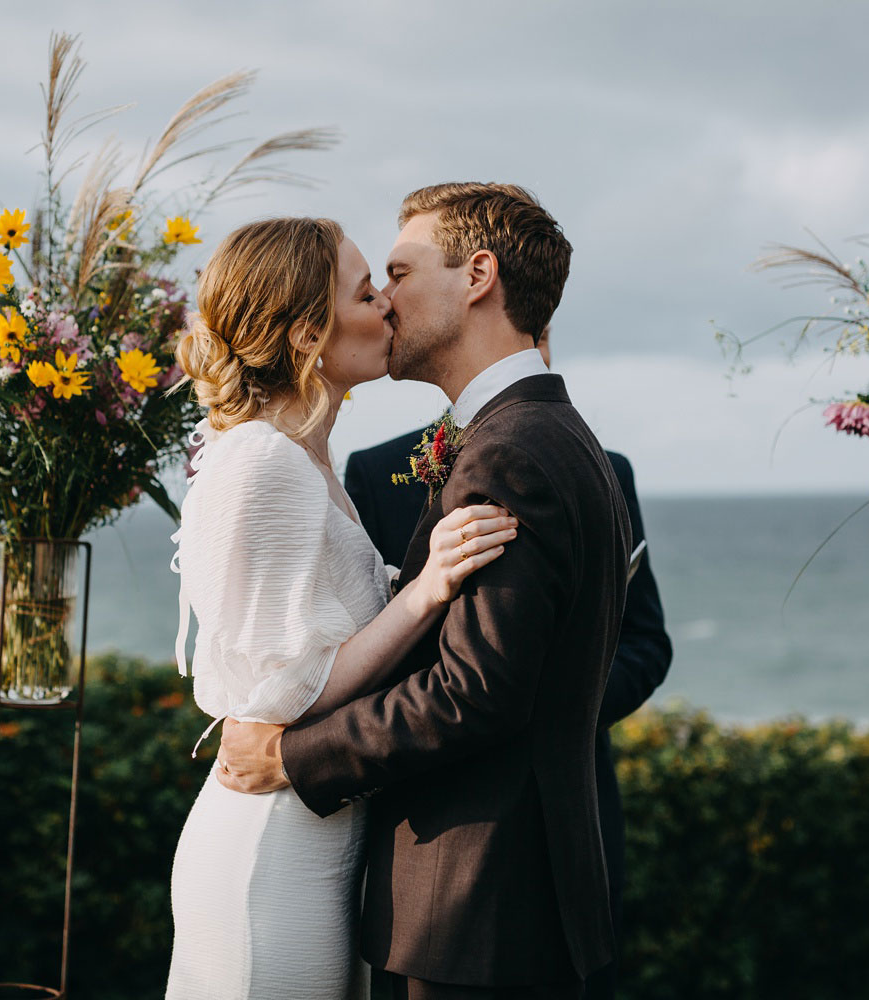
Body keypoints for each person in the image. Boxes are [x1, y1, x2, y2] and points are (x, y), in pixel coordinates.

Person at [219, 183, 632, 998]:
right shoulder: (542, 433)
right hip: (502, 907)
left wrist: (290, 756)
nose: (385, 301)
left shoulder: (511, 451)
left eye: (400, 273)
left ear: (478, 275)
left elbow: (472, 694)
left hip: (474, 911)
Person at [164, 217, 521, 1000]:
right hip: (271, 854)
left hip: (317, 836)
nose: (389, 306)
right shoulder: (264, 464)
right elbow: (281, 700)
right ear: (307, 335)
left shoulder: (303, 459)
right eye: (366, 292)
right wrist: (426, 593)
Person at [342, 324, 672, 1000]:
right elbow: (371, 651)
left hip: (570, 821)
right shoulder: (376, 472)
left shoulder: (608, 470)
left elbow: (646, 641)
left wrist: (559, 701)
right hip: (437, 843)